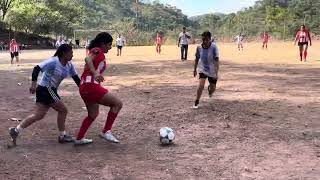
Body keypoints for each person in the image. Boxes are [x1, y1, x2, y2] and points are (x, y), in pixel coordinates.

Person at [8, 44, 81, 146]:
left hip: (49, 90)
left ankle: (15, 130)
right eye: (71, 52)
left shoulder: (69, 65)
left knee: (38, 115)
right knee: (63, 110)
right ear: (64, 53)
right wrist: (33, 84)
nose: (72, 55)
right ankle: (62, 135)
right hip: (45, 89)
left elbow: (76, 79)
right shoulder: (53, 61)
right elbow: (36, 68)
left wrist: (84, 89)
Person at [75, 32, 123, 145]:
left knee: (93, 114)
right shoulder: (97, 50)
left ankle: (79, 138)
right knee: (117, 104)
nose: (110, 47)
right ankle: (106, 131)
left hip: (84, 87)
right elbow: (87, 59)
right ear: (102, 44)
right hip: (90, 86)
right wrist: (95, 72)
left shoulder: (97, 50)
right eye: (109, 45)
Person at [193, 31, 219, 109]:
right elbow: (197, 58)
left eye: (207, 40)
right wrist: (194, 69)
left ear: (210, 39)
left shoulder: (214, 47)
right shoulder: (199, 47)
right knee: (201, 85)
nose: (205, 41)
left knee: (212, 89)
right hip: (203, 68)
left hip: (212, 70)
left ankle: (210, 91)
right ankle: (196, 101)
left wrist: (216, 73)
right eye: (203, 39)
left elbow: (216, 61)